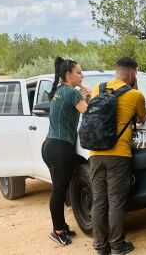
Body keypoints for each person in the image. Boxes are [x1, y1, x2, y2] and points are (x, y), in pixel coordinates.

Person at [89, 57, 146, 255]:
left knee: (99, 200)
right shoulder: (135, 94)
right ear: (132, 73)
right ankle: (117, 246)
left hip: (95, 153)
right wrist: (135, 87)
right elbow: (142, 118)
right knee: (116, 202)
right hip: (119, 154)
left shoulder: (98, 88)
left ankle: (100, 246)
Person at [42, 57, 90, 246]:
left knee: (59, 189)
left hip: (49, 146)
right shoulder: (71, 93)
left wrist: (83, 98)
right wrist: (91, 97)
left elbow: (76, 109)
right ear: (68, 74)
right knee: (59, 191)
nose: (82, 75)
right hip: (61, 148)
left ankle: (61, 225)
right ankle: (57, 230)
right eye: (79, 72)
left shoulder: (58, 91)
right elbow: (89, 112)